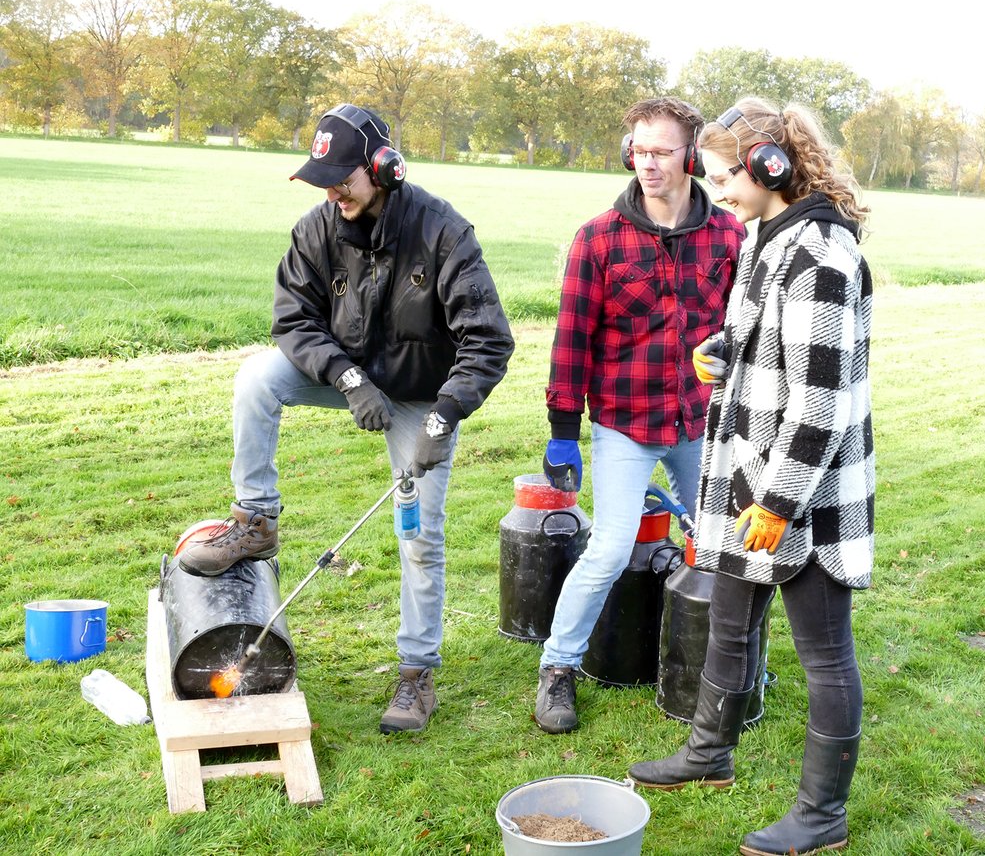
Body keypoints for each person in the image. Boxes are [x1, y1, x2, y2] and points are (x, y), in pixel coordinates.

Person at [179, 103, 514, 734]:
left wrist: (444, 416)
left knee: (420, 536)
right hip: (348, 377)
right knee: (257, 378)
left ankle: (416, 672)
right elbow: (292, 321)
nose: (333, 193)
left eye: (342, 179)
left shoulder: (444, 232)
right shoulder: (316, 229)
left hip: (420, 396)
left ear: (384, 168)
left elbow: (488, 341)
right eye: (323, 181)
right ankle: (255, 521)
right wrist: (348, 378)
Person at [627, 97, 874, 856]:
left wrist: (779, 501)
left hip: (803, 498)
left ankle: (823, 815)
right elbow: (767, 340)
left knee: (825, 654)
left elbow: (822, 402)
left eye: (724, 177)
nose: (719, 192)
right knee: (729, 623)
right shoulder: (769, 236)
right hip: (747, 482)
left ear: (769, 167)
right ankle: (709, 754)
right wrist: (724, 352)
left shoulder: (821, 257)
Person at [535, 97, 745, 733]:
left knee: (723, 545)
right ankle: (558, 667)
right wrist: (563, 432)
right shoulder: (598, 238)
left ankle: (726, 665)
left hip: (702, 420)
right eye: (639, 150)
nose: (647, 163)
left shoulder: (730, 235)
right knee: (608, 548)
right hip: (625, 421)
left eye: (661, 151)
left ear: (691, 156)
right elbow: (572, 338)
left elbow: (750, 324)